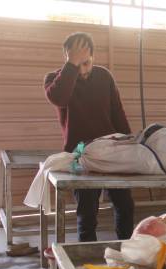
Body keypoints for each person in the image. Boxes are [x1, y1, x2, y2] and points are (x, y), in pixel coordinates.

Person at [43, 32, 134, 242]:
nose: (82, 70)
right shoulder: (56, 80)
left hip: (112, 150)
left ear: (93, 56)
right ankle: (85, 260)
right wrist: (72, 66)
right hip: (80, 153)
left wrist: (129, 144)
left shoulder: (104, 76)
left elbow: (117, 113)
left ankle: (127, 250)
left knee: (125, 205)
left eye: (86, 62)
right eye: (75, 62)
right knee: (87, 211)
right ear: (66, 57)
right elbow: (59, 98)